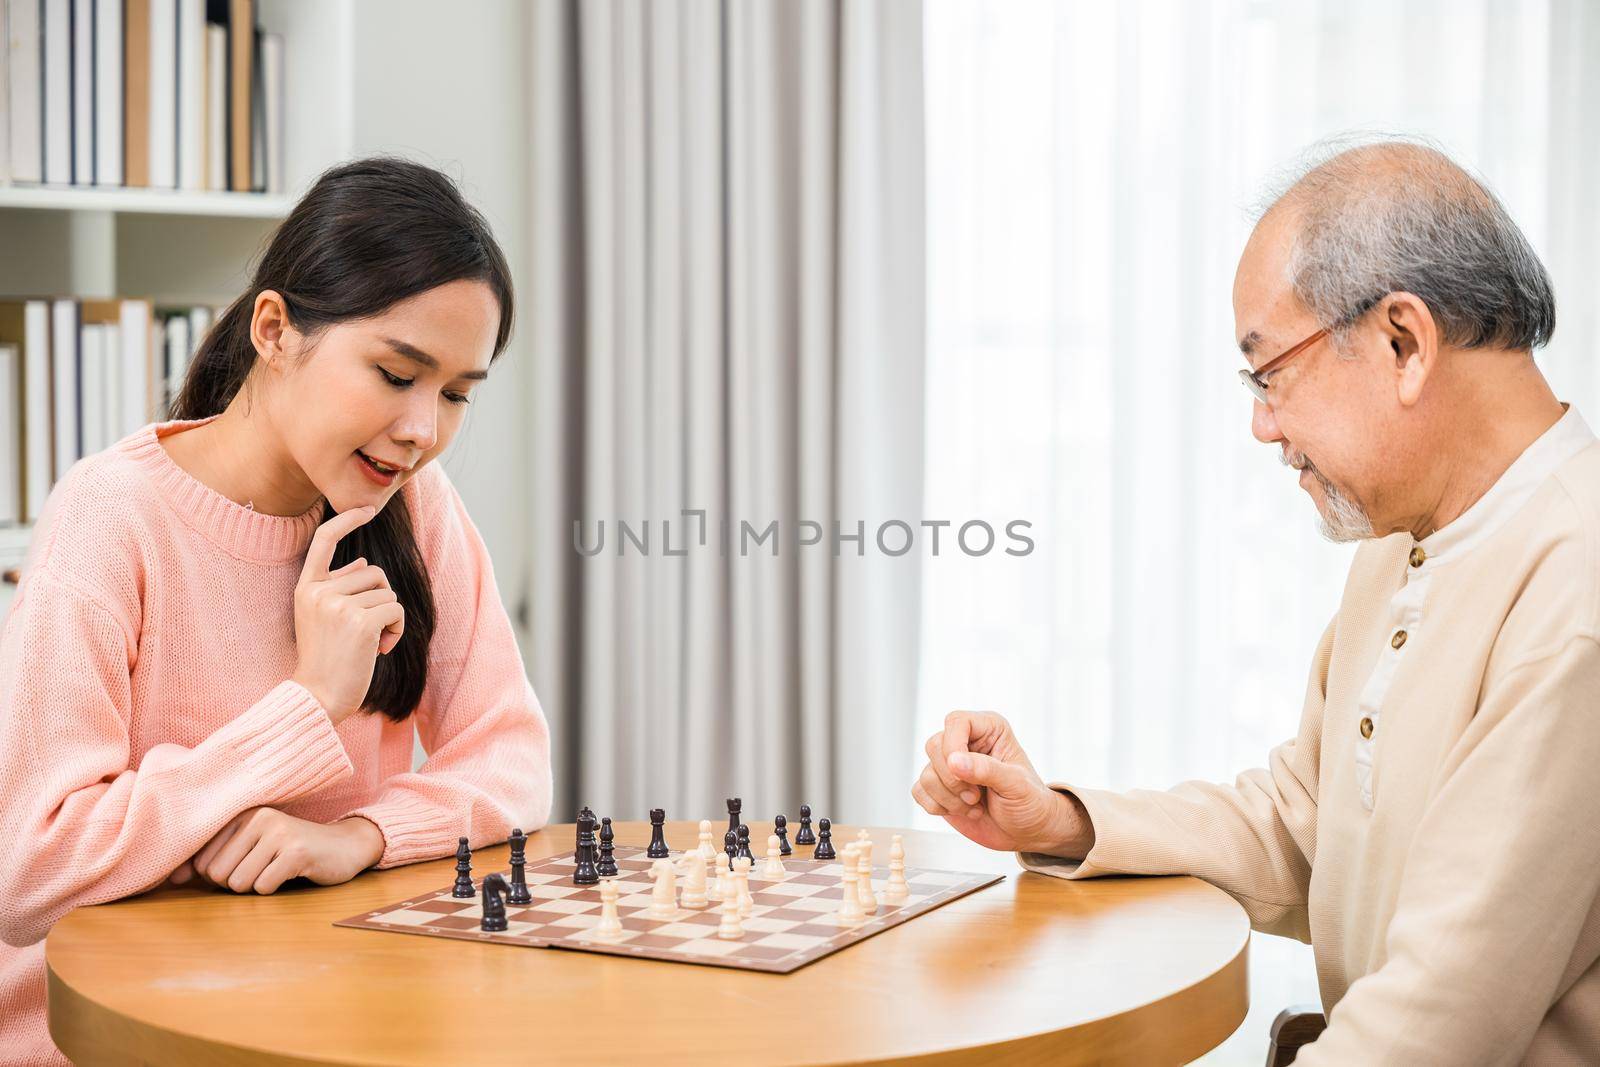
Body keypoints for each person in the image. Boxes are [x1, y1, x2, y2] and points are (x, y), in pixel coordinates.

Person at [915, 141, 1600, 1064]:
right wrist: (1065, 819)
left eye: (1269, 371)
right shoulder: (1404, 540)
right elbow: (1308, 823)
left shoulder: (1576, 592)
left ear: (1404, 341)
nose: (1263, 423)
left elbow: (1436, 1023)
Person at [0, 157, 553, 1066]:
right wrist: (306, 703)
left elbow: (512, 756)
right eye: (395, 372)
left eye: (456, 393)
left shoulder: (415, 505)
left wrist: (357, 838)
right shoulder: (112, 517)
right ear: (275, 330)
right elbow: (31, 869)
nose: (424, 428)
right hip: (112, 1041)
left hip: (323, 1015)